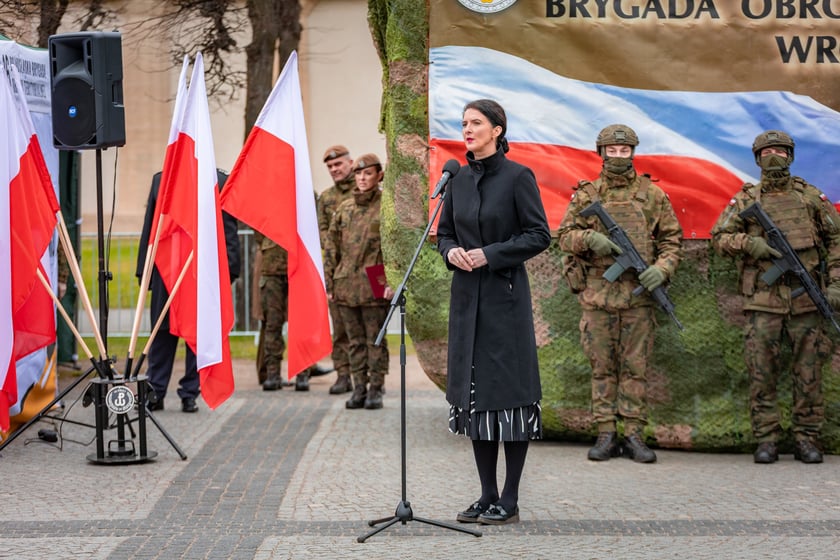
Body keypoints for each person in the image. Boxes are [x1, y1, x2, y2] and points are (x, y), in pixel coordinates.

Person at [437, 99, 551, 526]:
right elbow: (444, 234)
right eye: (464, 123)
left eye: (476, 123)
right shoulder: (458, 180)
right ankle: (486, 494)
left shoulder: (519, 177)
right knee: (475, 397)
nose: (467, 129)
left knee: (509, 398)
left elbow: (539, 234)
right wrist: (453, 253)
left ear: (497, 130)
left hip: (504, 301)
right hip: (467, 301)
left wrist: (490, 255)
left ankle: (510, 497)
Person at [711, 130, 840, 465]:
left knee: (808, 372)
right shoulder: (745, 200)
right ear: (757, 158)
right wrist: (748, 243)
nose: (773, 157)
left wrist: (836, 285)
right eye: (767, 151)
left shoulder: (811, 198)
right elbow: (720, 238)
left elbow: (836, 241)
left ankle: (806, 438)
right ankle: (766, 438)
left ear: (790, 156)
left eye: (779, 152)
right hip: (763, 299)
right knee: (761, 371)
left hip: (807, 300)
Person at [557, 124, 683, 464]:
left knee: (635, 368)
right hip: (598, 296)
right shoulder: (587, 195)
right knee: (601, 367)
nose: (617, 156)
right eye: (611, 151)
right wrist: (588, 239)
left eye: (623, 150)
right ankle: (606, 433)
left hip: (639, 298)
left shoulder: (652, 195)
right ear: (601, 153)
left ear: (632, 153)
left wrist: (662, 268)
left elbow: (672, 240)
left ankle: (633, 434)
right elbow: (563, 236)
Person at [136, 169, 241, 412]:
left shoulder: (218, 179)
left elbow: (228, 230)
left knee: (199, 333)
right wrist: (145, 270)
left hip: (202, 272)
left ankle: (190, 392)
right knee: (162, 332)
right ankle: (156, 390)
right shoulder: (161, 179)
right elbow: (150, 227)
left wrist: (230, 271)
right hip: (167, 268)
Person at [323, 153, 393, 410]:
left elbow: (394, 249)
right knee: (354, 341)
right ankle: (359, 387)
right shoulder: (344, 208)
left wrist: (391, 282)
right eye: (359, 174)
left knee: (375, 339)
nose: (362, 179)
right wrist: (330, 283)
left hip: (374, 284)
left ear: (379, 176)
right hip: (345, 284)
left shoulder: (386, 206)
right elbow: (331, 248)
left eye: (368, 174)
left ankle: (375, 388)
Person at [317, 145, 356, 395]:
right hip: (338, 271)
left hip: (364, 271)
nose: (335, 170)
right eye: (330, 167)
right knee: (340, 327)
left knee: (366, 327)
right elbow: (321, 232)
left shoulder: (364, 188)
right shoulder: (326, 198)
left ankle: (370, 379)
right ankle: (343, 376)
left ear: (350, 163)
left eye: (338, 164)